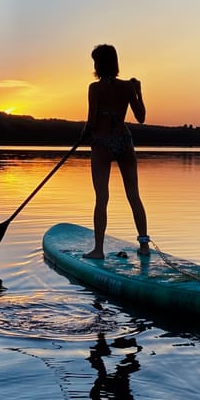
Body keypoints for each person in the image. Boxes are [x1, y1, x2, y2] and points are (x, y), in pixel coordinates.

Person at [80, 44, 150, 259]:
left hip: (102, 143)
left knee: (102, 198)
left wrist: (83, 135)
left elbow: (92, 122)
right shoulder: (128, 87)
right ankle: (144, 246)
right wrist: (138, 92)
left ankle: (98, 250)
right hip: (124, 142)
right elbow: (141, 117)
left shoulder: (95, 88)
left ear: (98, 65)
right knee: (134, 196)